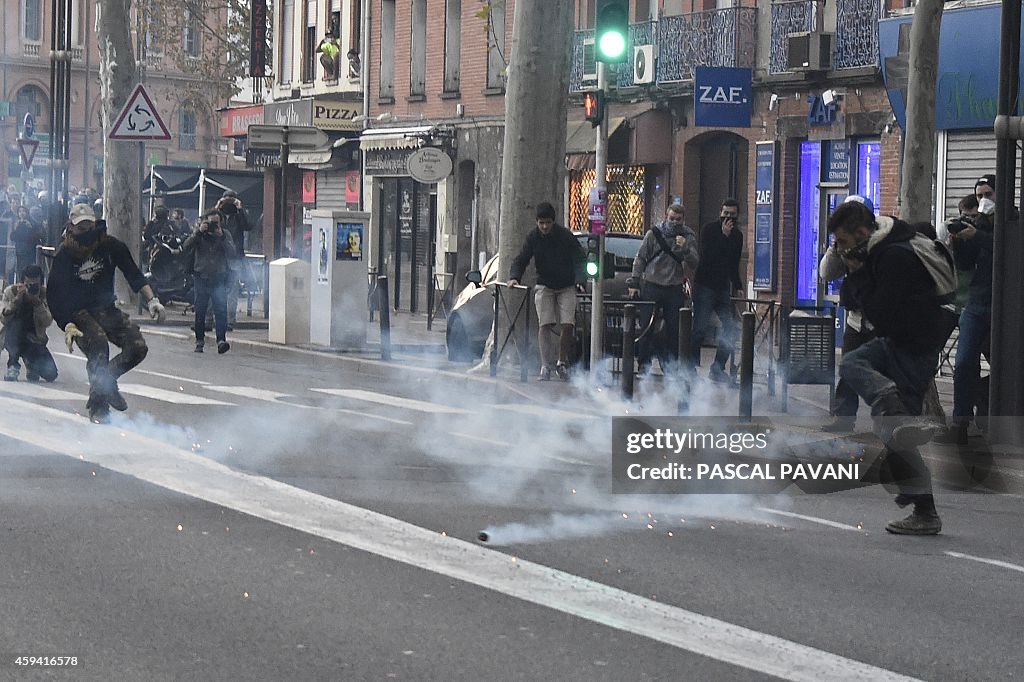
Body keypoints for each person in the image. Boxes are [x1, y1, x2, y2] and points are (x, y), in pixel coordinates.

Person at [828, 200, 958, 535]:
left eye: (842, 242)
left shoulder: (893, 257)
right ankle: (918, 499)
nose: (841, 250)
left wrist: (857, 276)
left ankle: (925, 512)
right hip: (899, 341)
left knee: (894, 431)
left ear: (861, 232)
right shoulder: (882, 248)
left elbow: (882, 314)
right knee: (854, 365)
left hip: (913, 349)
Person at [46, 203, 166, 423]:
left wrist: (152, 300)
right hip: (78, 312)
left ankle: (106, 381)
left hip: (106, 308)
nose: (86, 232)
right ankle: (99, 408)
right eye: (80, 228)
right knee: (98, 346)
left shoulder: (110, 246)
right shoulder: (64, 253)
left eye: (88, 226)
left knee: (138, 347)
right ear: (71, 228)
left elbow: (133, 273)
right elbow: (54, 294)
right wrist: (66, 324)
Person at [936, 187, 995, 446]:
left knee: (1005, 367)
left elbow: (1005, 249)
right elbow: (965, 265)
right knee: (963, 363)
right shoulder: (976, 229)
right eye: (979, 193)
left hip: (1001, 306)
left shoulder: (1006, 223)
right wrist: (958, 242)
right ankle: (960, 423)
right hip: (975, 303)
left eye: (988, 194)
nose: (984, 200)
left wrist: (979, 234)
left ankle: (985, 401)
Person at [508, 202, 586, 381]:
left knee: (568, 324)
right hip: (544, 284)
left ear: (553, 222)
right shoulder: (532, 238)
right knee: (545, 324)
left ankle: (561, 362)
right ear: (537, 222)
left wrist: (580, 281)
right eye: (541, 223)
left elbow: (580, 259)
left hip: (566, 285)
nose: (544, 226)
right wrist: (514, 277)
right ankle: (545, 365)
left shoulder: (566, 236)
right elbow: (521, 259)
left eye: (548, 223)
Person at [819, 195, 877, 433]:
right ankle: (843, 416)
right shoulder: (844, 246)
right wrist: (836, 250)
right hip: (856, 319)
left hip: (880, 319)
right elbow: (826, 273)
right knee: (849, 366)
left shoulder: (881, 245)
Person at [626, 202, 699, 373]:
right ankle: (644, 363)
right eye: (672, 218)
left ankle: (671, 365)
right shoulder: (654, 233)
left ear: (683, 220)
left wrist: (686, 249)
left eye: (678, 220)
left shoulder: (688, 236)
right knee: (646, 326)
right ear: (666, 216)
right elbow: (641, 258)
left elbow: (695, 262)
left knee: (674, 329)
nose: (674, 223)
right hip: (652, 284)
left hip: (673, 287)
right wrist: (635, 282)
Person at [691, 198, 744, 382]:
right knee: (699, 328)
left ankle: (718, 367)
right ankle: (690, 366)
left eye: (732, 215)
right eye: (725, 214)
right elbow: (708, 256)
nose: (728, 218)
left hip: (722, 287)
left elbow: (733, 262)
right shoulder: (709, 230)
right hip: (705, 284)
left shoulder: (737, 236)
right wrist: (723, 236)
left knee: (730, 328)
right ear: (720, 213)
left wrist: (738, 285)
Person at [183, 210, 234, 354]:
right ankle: (199, 341)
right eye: (210, 223)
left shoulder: (225, 234)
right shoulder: (199, 235)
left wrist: (221, 237)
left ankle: (221, 340)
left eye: (215, 223)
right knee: (200, 311)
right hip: (201, 277)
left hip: (219, 276)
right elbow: (186, 246)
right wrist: (198, 232)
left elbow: (232, 252)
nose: (213, 226)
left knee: (221, 310)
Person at [1, 264, 57, 383]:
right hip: (13, 337)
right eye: (28, 285)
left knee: (51, 374)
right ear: (22, 283)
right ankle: (13, 365)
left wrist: (38, 305)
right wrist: (16, 301)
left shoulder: (45, 295)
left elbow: (47, 321)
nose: (32, 288)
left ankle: (31, 364)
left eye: (35, 285)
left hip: (35, 340)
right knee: (15, 327)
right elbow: (3, 318)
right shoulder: (11, 292)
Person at [216, 190, 252, 330]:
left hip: (235, 257)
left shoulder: (239, 216)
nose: (229, 204)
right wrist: (218, 206)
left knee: (232, 290)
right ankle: (215, 318)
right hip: (218, 257)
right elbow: (206, 222)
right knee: (217, 289)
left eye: (232, 200)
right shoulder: (219, 217)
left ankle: (230, 320)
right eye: (227, 200)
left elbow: (248, 226)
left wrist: (240, 209)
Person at [11, 206, 45, 274]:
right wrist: (15, 229)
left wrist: (30, 227)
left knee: (29, 270)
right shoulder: (16, 223)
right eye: (20, 211)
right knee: (20, 270)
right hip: (19, 252)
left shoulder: (33, 223)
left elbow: (37, 236)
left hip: (30, 251)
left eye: (23, 211)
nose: (22, 213)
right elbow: (12, 237)